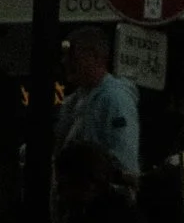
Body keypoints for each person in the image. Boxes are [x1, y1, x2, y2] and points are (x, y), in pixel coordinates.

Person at [54, 31, 140, 191]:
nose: (64, 61)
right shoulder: (73, 102)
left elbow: (124, 164)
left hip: (103, 206)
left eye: (72, 55)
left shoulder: (115, 98)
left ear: (93, 56)